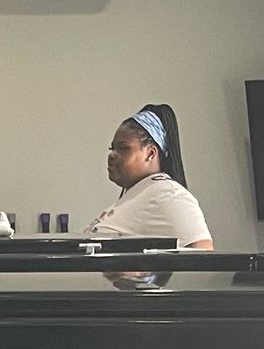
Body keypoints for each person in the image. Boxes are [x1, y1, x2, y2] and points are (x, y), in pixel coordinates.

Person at [91, 104, 212, 248]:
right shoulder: (138, 194)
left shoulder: (169, 194)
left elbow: (202, 252)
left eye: (123, 148)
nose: (112, 155)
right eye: (112, 148)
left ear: (150, 153)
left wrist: (140, 270)